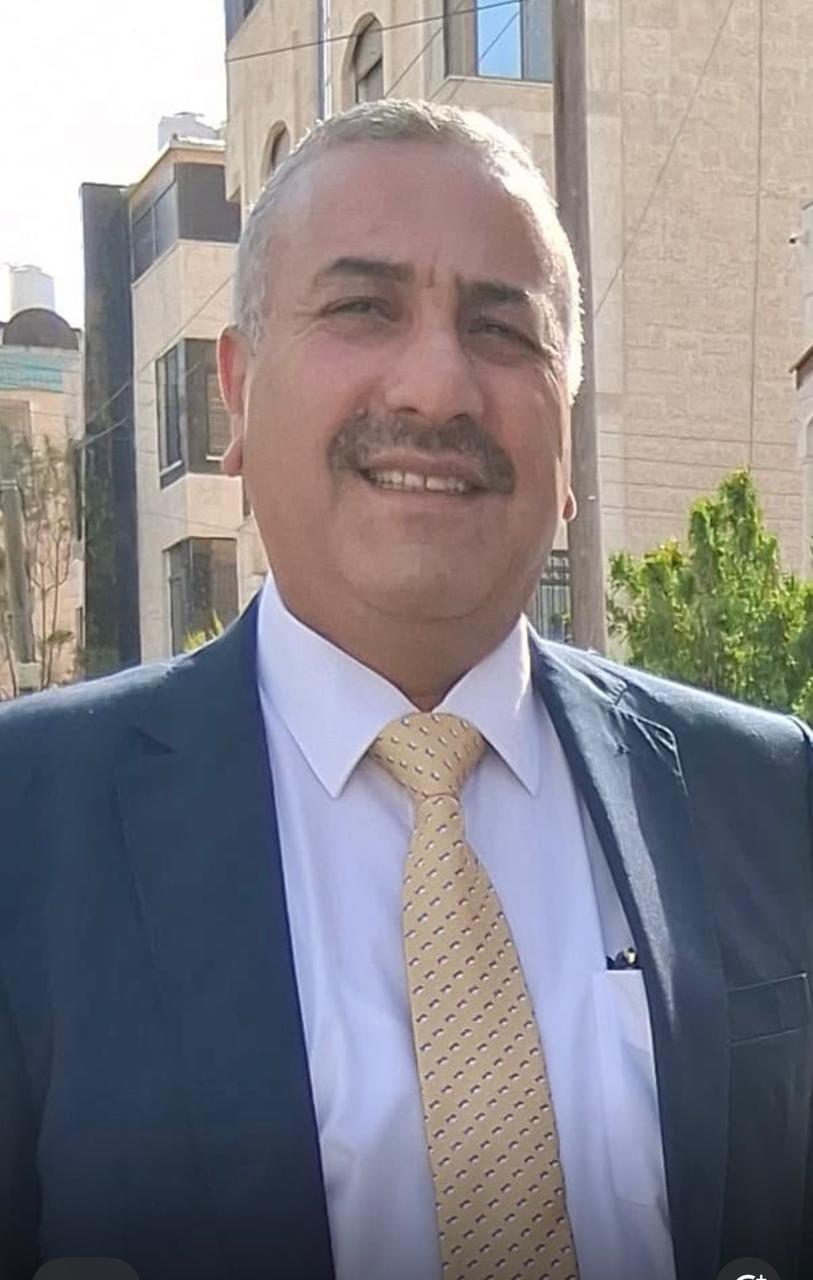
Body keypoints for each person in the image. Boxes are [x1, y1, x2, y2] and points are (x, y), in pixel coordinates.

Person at [0, 100, 810, 1280]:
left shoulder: (768, 793)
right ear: (237, 388)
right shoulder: (29, 821)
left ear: (568, 436)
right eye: (363, 308)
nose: (437, 386)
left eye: (503, 328)